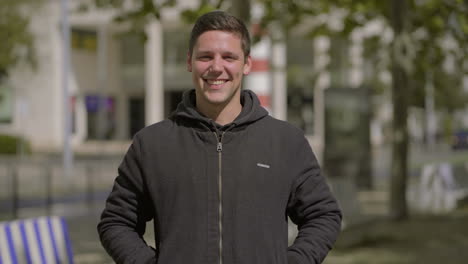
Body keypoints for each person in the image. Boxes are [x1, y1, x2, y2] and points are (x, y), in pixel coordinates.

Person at [98, 10, 342, 264]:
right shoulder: (151, 144)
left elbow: (323, 215)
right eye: (205, 57)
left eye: (229, 57)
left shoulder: (285, 141)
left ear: (246, 63)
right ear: (190, 61)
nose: (216, 67)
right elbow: (116, 223)